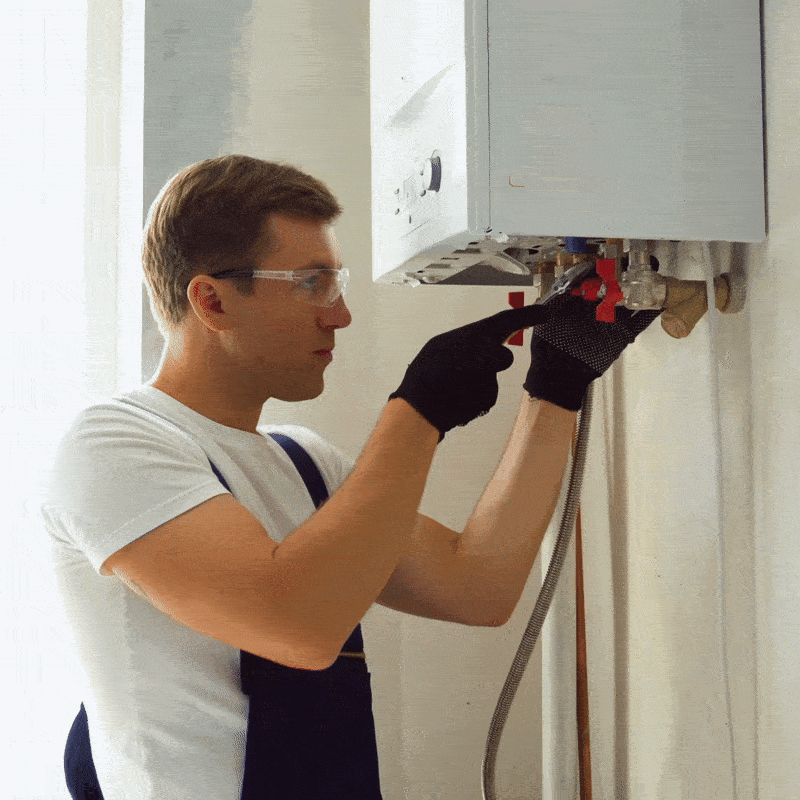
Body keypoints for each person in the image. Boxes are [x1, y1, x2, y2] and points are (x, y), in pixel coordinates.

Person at [40, 154, 660, 800]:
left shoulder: (303, 463)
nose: (340, 316)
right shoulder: (111, 445)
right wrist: (417, 412)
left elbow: (478, 586)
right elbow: (297, 626)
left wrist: (555, 385)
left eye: (336, 283)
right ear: (212, 301)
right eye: (312, 284)